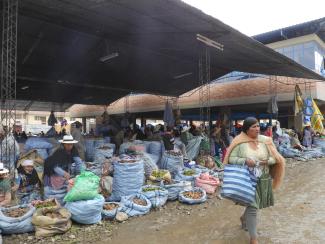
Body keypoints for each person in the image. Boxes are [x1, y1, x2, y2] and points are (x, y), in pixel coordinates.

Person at [223, 117, 285, 244]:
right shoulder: (239, 142)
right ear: (246, 129)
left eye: (257, 126)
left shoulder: (265, 141)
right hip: (247, 179)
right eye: (254, 127)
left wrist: (265, 161)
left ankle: (243, 218)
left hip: (263, 179)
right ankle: (254, 239)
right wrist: (245, 161)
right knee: (252, 207)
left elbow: (275, 158)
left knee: (254, 206)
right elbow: (231, 159)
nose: (257, 129)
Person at [43, 135, 83, 205]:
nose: (69, 146)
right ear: (63, 144)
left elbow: (78, 161)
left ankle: (62, 203)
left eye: (71, 144)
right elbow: (54, 166)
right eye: (67, 145)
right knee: (53, 191)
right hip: (52, 171)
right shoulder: (58, 152)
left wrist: (79, 173)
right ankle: (54, 203)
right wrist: (64, 173)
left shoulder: (73, 150)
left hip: (63, 169)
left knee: (67, 185)